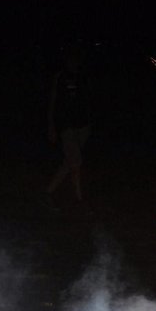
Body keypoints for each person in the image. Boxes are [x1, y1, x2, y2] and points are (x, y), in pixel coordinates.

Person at [45, 42, 93, 204]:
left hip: (82, 125)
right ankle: (78, 197)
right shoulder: (60, 77)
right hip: (66, 126)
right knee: (76, 162)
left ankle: (49, 191)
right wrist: (51, 126)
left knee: (71, 161)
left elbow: (87, 100)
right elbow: (53, 102)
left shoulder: (82, 76)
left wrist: (88, 124)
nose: (74, 62)